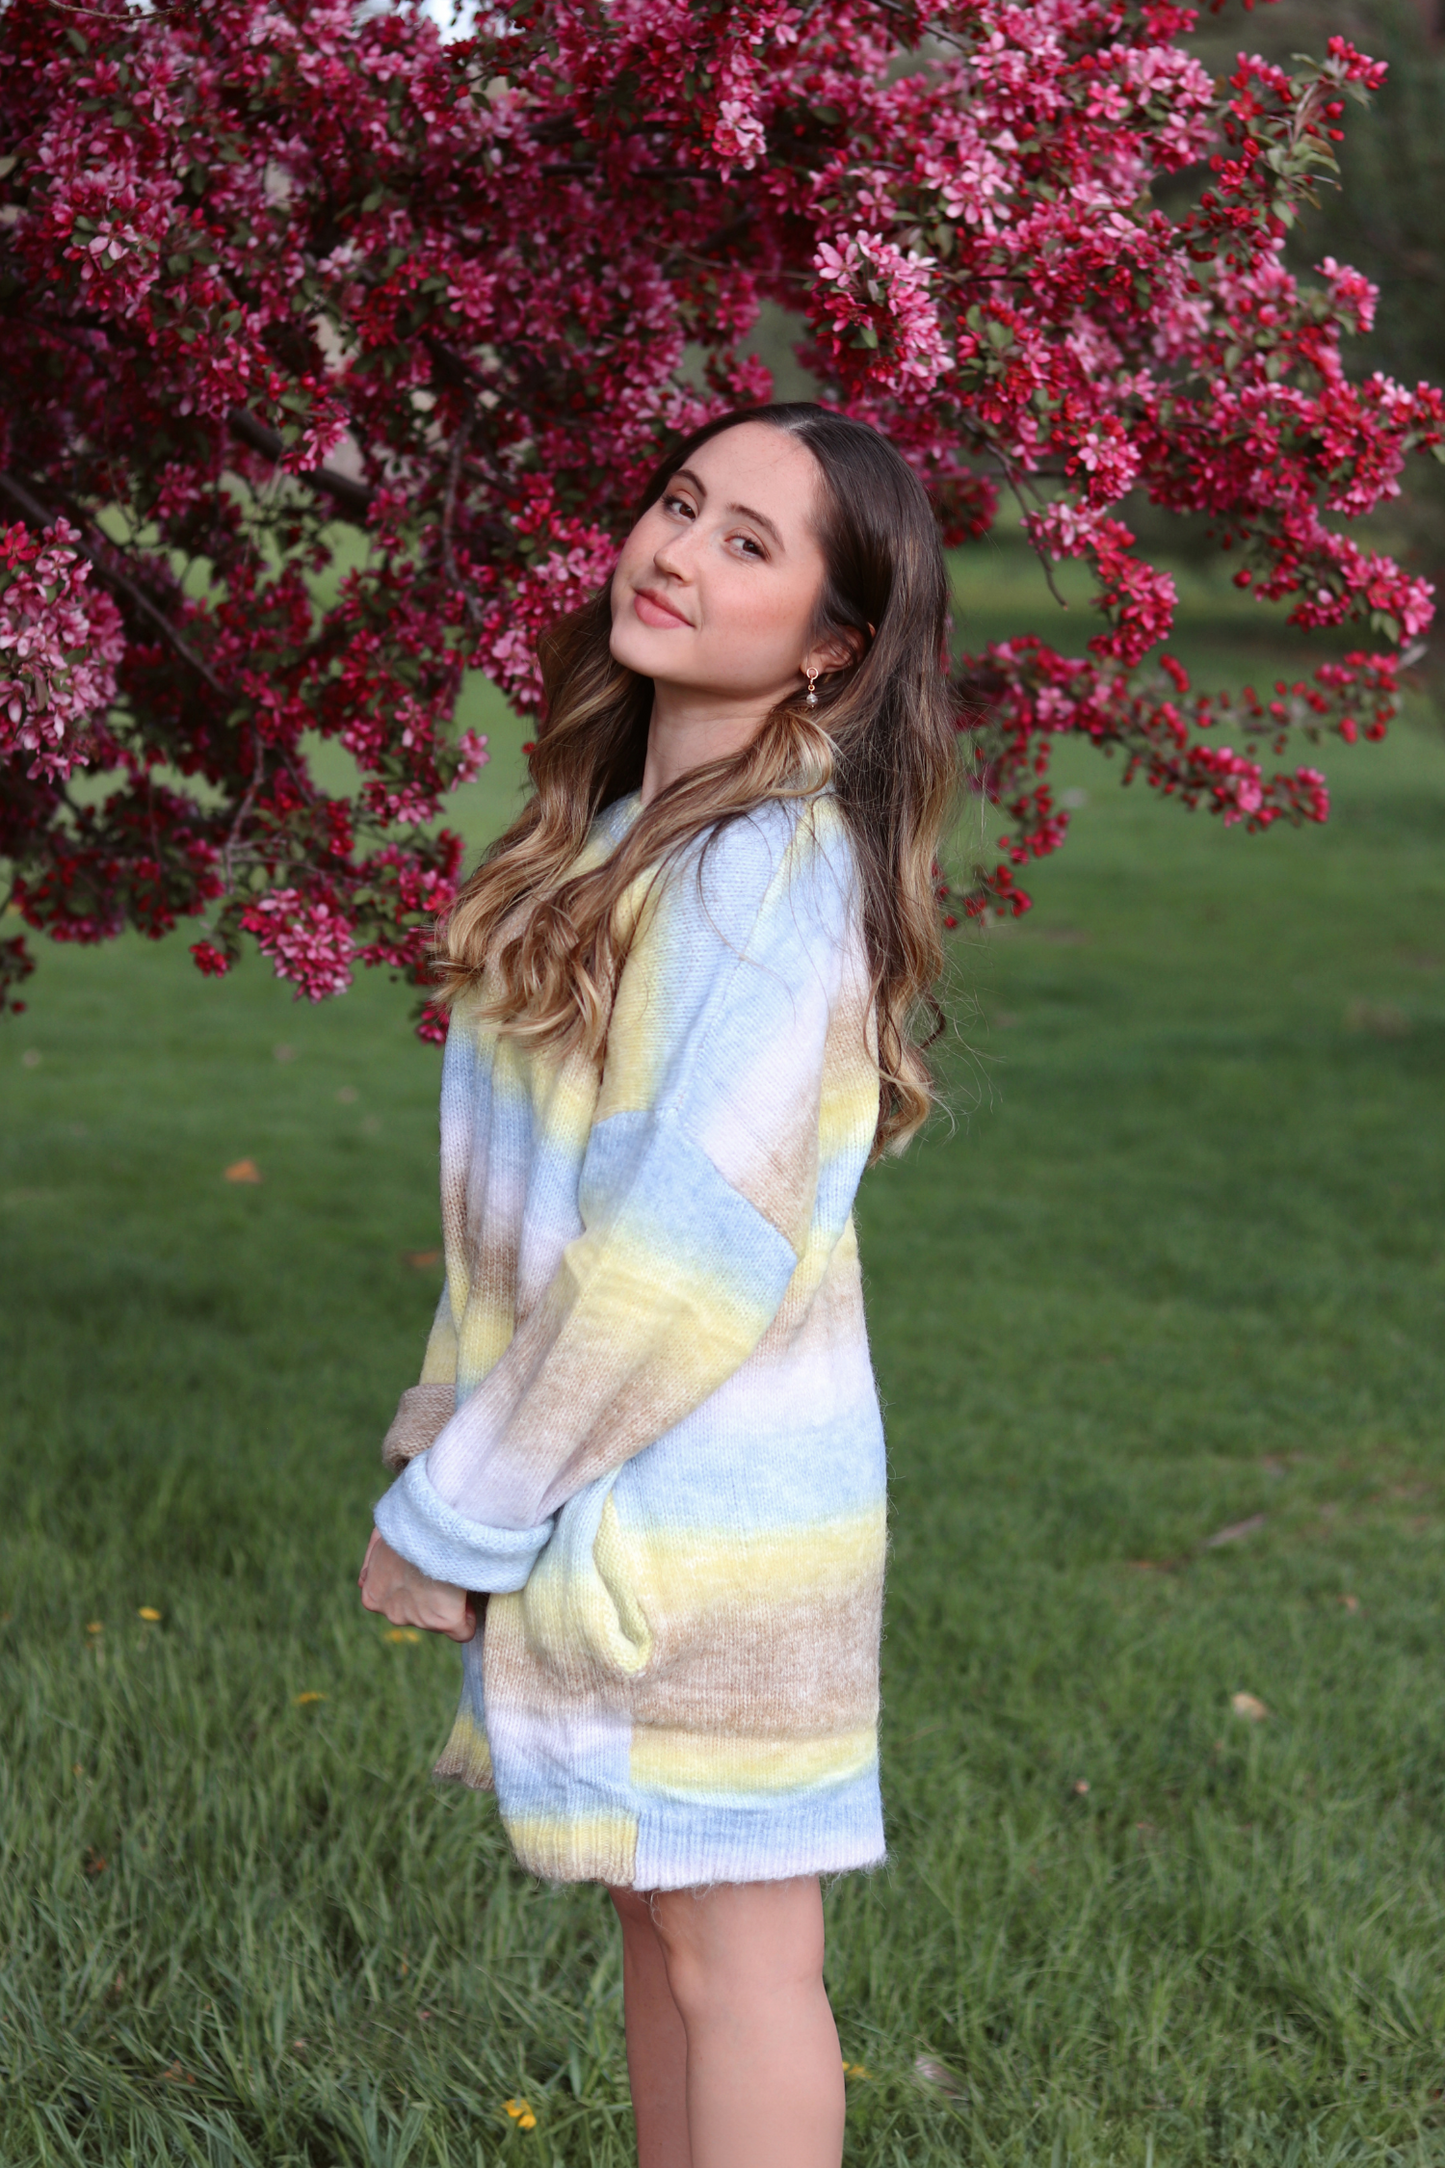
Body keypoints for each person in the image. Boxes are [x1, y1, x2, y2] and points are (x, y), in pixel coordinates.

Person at [357, 402, 957, 2168]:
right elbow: (515, 1226)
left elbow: (681, 1259)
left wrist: (460, 1513)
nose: (678, 552)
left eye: (748, 544)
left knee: (740, 1962)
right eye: (680, 504)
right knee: (663, 1926)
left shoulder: (763, 874)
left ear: (833, 647)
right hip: (602, 1490)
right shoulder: (626, 842)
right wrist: (451, 1436)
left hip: (711, 1525)